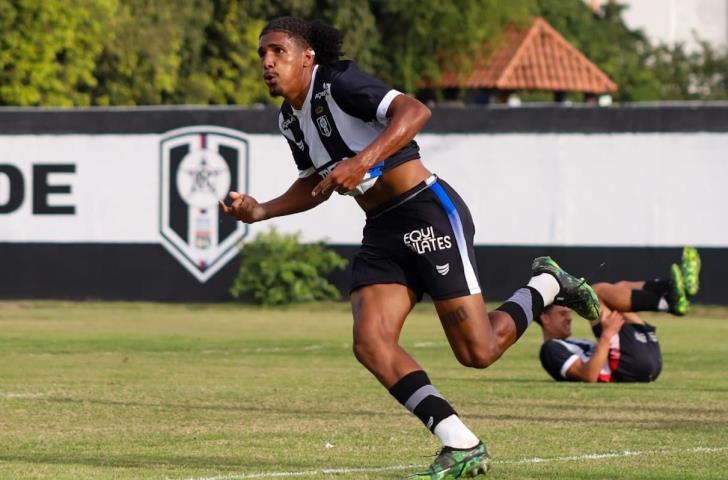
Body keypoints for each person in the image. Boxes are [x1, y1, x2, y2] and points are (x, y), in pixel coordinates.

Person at [219, 16, 600, 479]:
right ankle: (460, 442)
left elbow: (415, 111)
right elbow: (315, 181)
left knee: (477, 352)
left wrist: (361, 161)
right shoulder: (289, 119)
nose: (267, 61)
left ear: (307, 57)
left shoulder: (338, 82)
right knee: (370, 342)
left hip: (427, 212)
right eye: (262, 54)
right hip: (382, 229)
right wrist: (261, 211)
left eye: (277, 51)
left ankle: (546, 284)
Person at [536, 247, 701, 383]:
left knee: (617, 291)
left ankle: (672, 290)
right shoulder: (550, 350)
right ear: (545, 318)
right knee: (595, 293)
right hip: (630, 363)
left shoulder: (569, 343)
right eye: (563, 313)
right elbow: (588, 376)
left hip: (643, 356)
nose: (569, 317)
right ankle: (669, 298)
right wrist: (606, 336)